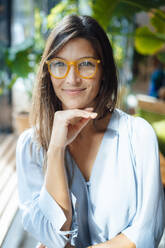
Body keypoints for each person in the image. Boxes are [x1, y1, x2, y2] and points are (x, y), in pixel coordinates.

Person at [16, 14, 165, 248]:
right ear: (48, 72)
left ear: (103, 69)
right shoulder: (31, 146)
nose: (72, 79)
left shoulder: (138, 136)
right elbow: (54, 237)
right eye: (59, 65)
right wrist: (56, 148)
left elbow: (146, 234)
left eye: (85, 64)